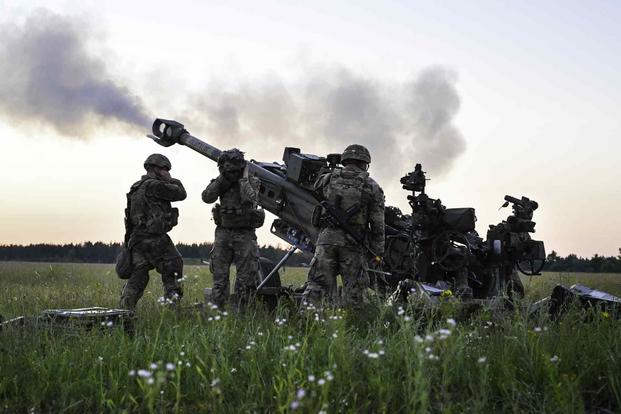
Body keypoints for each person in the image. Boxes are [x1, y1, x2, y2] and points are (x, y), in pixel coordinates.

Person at [303, 144, 385, 308]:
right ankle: (352, 328)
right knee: (354, 292)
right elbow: (378, 224)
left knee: (317, 286)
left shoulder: (328, 178)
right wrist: (376, 253)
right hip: (352, 244)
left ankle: (307, 322)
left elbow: (315, 186)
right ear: (365, 163)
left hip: (326, 241)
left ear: (345, 160)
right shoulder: (372, 186)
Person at [119, 154, 186, 310]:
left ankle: (124, 310)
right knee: (174, 266)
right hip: (154, 239)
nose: (166, 172)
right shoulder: (155, 186)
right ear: (157, 169)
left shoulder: (136, 187)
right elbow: (181, 193)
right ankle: (173, 309)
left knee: (139, 275)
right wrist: (170, 179)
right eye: (164, 169)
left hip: (137, 239)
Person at [202, 149, 264, 308]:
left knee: (246, 280)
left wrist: (243, 178)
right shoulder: (221, 182)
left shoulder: (251, 181)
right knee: (219, 280)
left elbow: (250, 198)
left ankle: (243, 314)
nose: (231, 172)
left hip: (244, 234)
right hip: (223, 233)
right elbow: (207, 197)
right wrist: (222, 179)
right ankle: (219, 314)